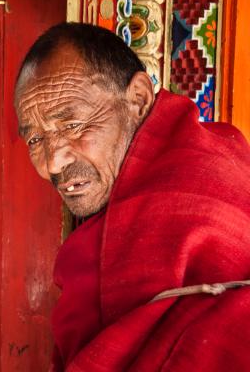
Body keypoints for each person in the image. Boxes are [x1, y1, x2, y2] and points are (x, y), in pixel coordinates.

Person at [14, 22, 250, 371]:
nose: (52, 161)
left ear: (138, 99)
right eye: (35, 140)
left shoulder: (203, 187)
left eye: (72, 125)